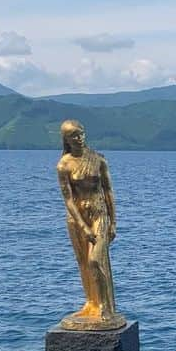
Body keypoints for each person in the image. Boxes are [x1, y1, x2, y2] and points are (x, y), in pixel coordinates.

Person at [55, 119, 124, 328]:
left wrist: (113, 221)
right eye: (74, 135)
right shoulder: (64, 165)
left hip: (99, 213)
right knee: (84, 262)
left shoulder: (98, 159)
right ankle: (91, 302)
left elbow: (109, 191)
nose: (79, 138)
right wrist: (82, 226)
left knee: (96, 259)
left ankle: (104, 306)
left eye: (81, 133)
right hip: (77, 218)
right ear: (66, 139)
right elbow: (68, 199)